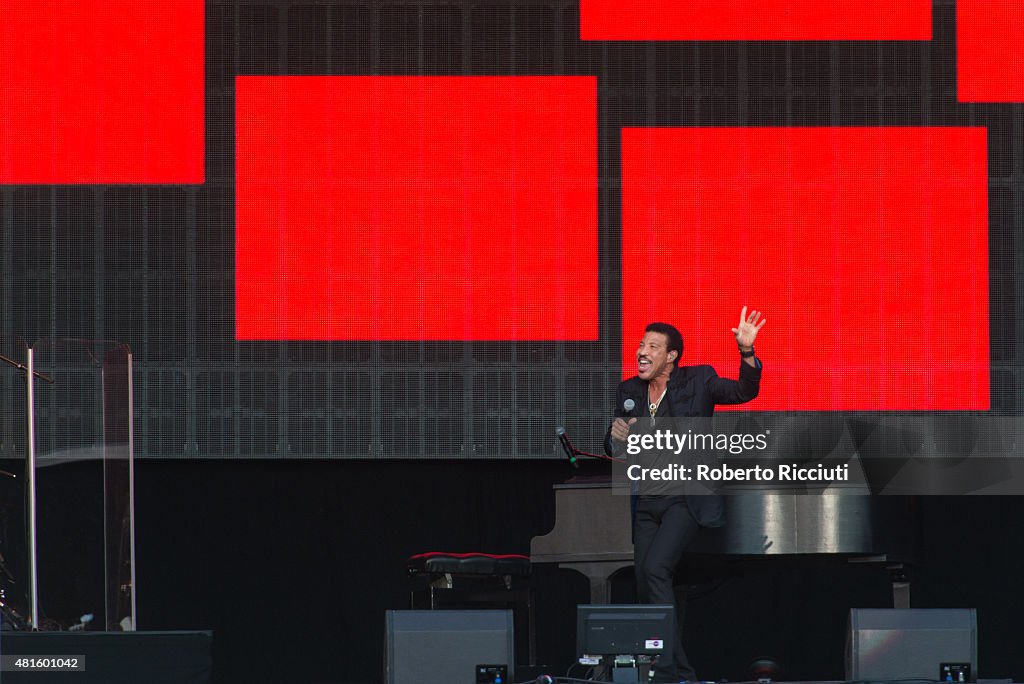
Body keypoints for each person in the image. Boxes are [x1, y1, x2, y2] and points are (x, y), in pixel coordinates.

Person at [604, 307, 765, 683]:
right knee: (646, 581)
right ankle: (680, 672)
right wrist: (616, 439)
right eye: (641, 345)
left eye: (652, 346)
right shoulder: (629, 391)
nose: (642, 352)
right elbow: (615, 449)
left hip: (684, 497)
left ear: (671, 356)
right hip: (646, 500)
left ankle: (663, 670)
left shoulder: (698, 380)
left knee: (657, 569)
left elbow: (744, 391)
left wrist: (746, 353)